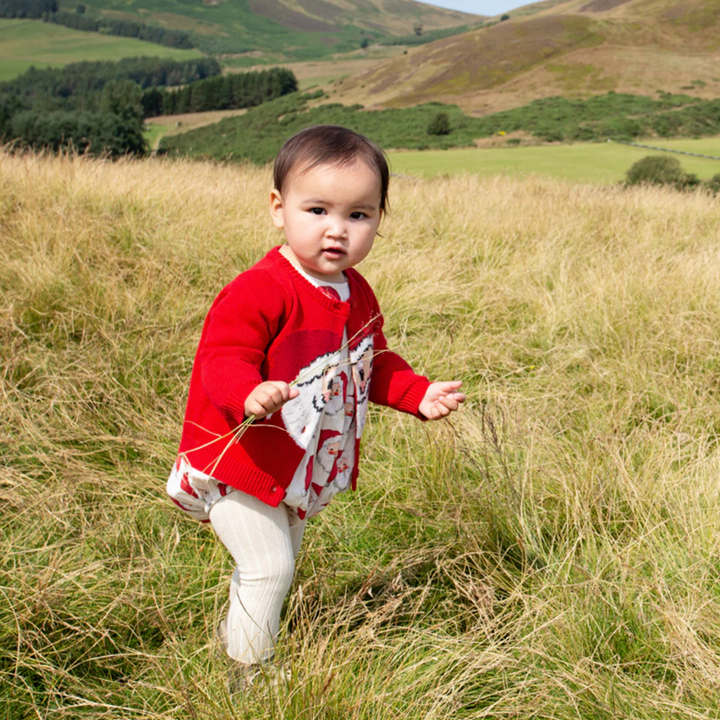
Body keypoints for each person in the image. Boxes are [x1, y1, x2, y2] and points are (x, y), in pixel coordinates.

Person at [166, 125, 465, 687]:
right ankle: (248, 675)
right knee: (269, 565)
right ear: (279, 209)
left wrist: (416, 393)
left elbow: (371, 362)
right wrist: (247, 393)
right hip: (239, 457)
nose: (337, 230)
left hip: (294, 464)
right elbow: (223, 357)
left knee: (273, 565)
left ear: (379, 218)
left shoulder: (358, 291)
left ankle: (241, 638)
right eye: (317, 210)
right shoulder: (261, 288)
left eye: (359, 215)